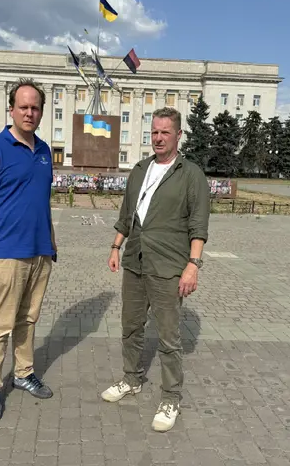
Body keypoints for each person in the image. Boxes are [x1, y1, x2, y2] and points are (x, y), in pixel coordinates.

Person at [101, 107, 210, 432]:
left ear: (178, 135)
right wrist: (116, 246)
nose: (159, 138)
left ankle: (171, 397)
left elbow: (198, 225)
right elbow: (126, 215)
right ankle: (131, 379)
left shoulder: (191, 174)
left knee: (168, 337)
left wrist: (193, 266)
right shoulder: (139, 170)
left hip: (168, 266)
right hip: (135, 261)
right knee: (131, 326)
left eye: (165, 132)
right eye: (155, 132)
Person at [0, 78, 57, 422]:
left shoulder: (45, 150)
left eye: (35, 107)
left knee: (29, 318)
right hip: (6, 251)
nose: (29, 113)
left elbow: (42, 200)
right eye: (23, 106)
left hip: (39, 251)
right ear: (11, 109)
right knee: (1, 323)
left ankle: (23, 373)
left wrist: (51, 239)